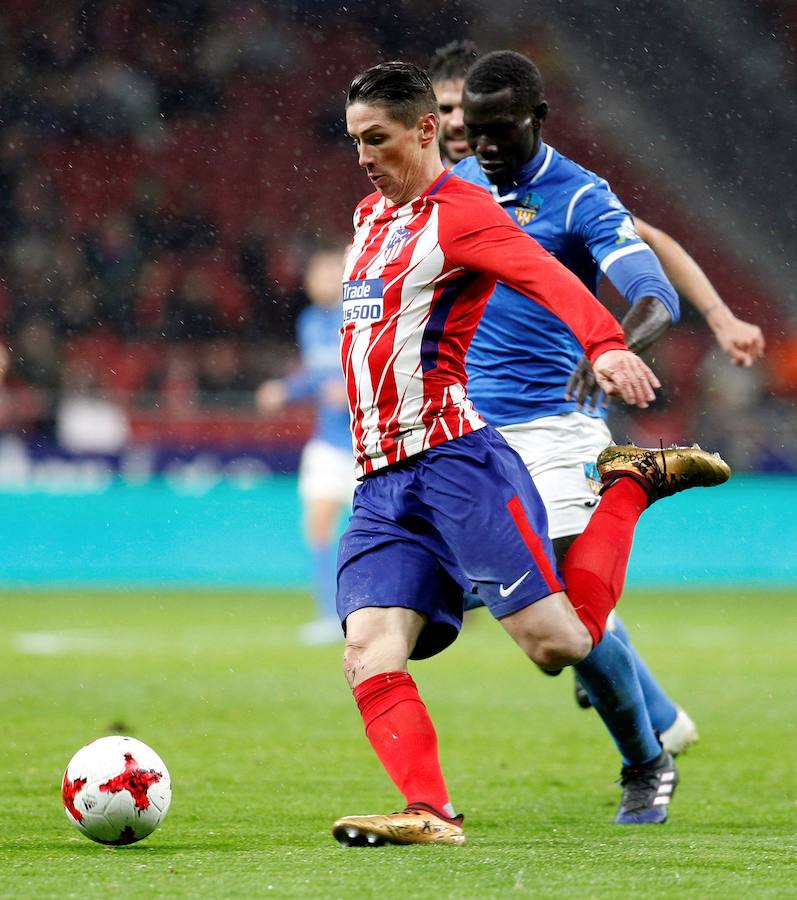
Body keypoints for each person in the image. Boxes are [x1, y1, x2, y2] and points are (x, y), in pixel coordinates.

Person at [331, 60, 729, 847]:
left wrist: (610, 343)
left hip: (475, 452)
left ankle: (631, 493)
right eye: (353, 141)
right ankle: (430, 812)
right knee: (368, 647)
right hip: (382, 477)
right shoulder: (370, 219)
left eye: (375, 139)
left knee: (560, 644)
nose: (363, 156)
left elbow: (545, 273)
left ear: (420, 132)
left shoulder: (474, 208)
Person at [431, 46, 764, 788]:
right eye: (461, 121)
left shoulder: (578, 195)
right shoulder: (452, 188)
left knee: (559, 615)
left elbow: (649, 269)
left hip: (553, 426)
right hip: (459, 431)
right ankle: (658, 716)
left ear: (533, 118)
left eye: (487, 123)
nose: (474, 137)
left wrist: (617, 341)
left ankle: (644, 757)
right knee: (464, 612)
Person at [256, 248, 356, 645]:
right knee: (317, 525)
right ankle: (329, 615)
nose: (324, 281)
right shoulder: (310, 322)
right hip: (329, 442)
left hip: (370, 441)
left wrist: (351, 392)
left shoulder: (362, 315)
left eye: (332, 273)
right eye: (317, 275)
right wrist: (287, 389)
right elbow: (318, 377)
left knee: (380, 533)